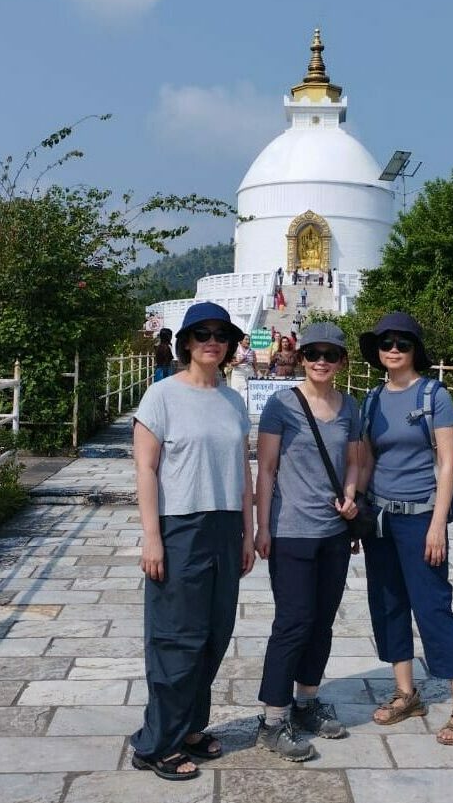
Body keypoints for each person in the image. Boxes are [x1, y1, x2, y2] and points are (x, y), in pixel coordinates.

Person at [131, 302, 256, 781]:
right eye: (201, 333)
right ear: (185, 342)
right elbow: (145, 468)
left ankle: (188, 728)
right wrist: (152, 536)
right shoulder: (161, 396)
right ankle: (156, 743)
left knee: (213, 635)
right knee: (175, 639)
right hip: (179, 525)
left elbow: (242, 471)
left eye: (220, 334)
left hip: (225, 526)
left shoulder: (232, 400)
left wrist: (247, 531)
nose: (211, 341)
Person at [358, 311, 453, 745]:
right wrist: (356, 506)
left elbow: (447, 463)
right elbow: (368, 459)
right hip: (380, 518)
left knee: (432, 606)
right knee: (388, 604)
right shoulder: (371, 400)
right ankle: (405, 692)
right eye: (386, 343)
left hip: (421, 516)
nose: (393, 350)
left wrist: (437, 524)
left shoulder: (434, 396)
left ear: (415, 350)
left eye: (402, 343)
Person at [254, 322, 360, 761]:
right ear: (300, 357)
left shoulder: (350, 406)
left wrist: (352, 497)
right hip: (292, 529)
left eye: (330, 354)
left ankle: (307, 701)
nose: (321, 361)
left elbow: (354, 461)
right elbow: (265, 468)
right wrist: (262, 527)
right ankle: (273, 719)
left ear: (341, 361)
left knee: (321, 621)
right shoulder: (282, 405)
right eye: (313, 353)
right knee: (293, 622)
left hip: (334, 533)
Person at [230, 333, 257, 399]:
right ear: (241, 341)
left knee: (248, 393)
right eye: (246, 339)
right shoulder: (236, 350)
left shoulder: (252, 351)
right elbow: (231, 363)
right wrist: (240, 362)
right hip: (238, 373)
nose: (248, 341)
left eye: (249, 340)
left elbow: (255, 364)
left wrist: (257, 374)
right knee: (237, 393)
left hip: (249, 373)